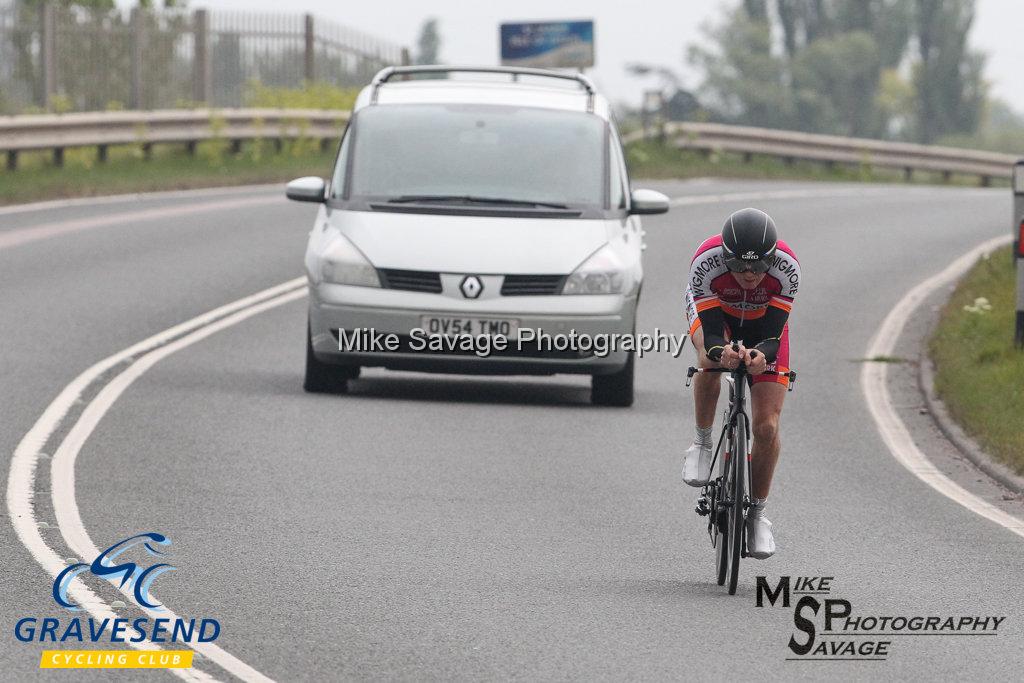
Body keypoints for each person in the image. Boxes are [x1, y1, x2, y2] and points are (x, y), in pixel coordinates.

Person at [681, 208, 800, 559]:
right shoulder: (706, 261)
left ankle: (758, 516)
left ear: (772, 260)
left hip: (764, 327)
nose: (749, 274)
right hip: (719, 317)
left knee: (766, 427)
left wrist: (762, 355)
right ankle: (702, 443)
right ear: (725, 258)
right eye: (739, 266)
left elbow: (773, 336)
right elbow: (714, 334)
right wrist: (721, 352)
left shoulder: (787, 268)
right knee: (707, 358)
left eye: (758, 266)